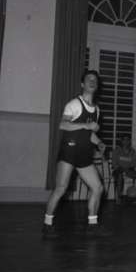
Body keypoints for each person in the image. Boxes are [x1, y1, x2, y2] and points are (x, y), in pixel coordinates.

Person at [43, 70, 108, 238]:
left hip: (84, 154)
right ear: (82, 84)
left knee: (98, 188)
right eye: (89, 79)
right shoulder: (74, 104)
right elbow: (63, 125)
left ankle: (92, 225)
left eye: (95, 80)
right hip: (69, 151)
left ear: (97, 85)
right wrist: (86, 126)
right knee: (61, 188)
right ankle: (47, 224)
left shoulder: (97, 110)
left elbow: (89, 133)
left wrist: (99, 142)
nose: (92, 82)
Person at [112, 135, 136, 205]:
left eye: (128, 140)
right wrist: (122, 169)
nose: (126, 142)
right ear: (121, 141)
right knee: (120, 175)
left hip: (128, 170)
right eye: (124, 140)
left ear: (129, 141)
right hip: (118, 170)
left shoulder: (132, 151)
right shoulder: (116, 150)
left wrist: (127, 170)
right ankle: (119, 197)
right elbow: (114, 164)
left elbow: (133, 164)